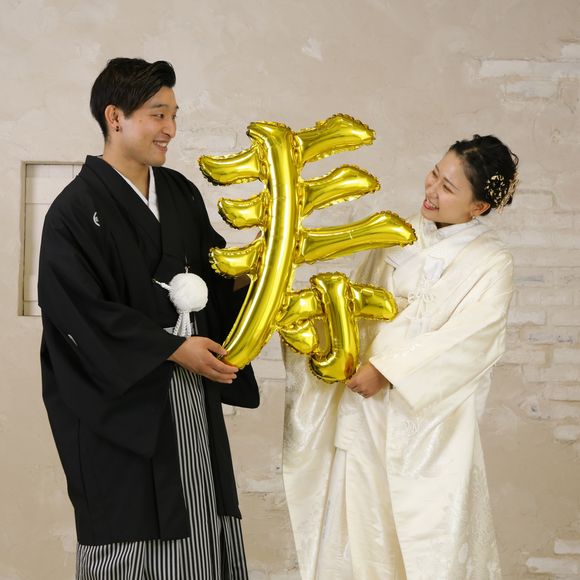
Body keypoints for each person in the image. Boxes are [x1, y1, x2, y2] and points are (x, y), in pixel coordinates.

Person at [38, 57, 259, 580]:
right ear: (115, 117)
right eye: (158, 115)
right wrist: (172, 349)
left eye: (174, 115)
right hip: (125, 401)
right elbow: (77, 312)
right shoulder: (73, 211)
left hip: (192, 386)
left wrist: (254, 273)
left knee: (200, 508)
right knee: (131, 524)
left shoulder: (179, 192)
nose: (171, 130)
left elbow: (213, 272)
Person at [282, 135, 519, 579]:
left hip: (429, 425)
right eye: (435, 174)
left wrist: (388, 370)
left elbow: (471, 339)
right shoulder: (397, 234)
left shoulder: (491, 263)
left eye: (448, 188)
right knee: (357, 532)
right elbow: (356, 308)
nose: (432, 190)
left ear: (478, 207)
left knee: (427, 542)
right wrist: (305, 322)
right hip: (366, 410)